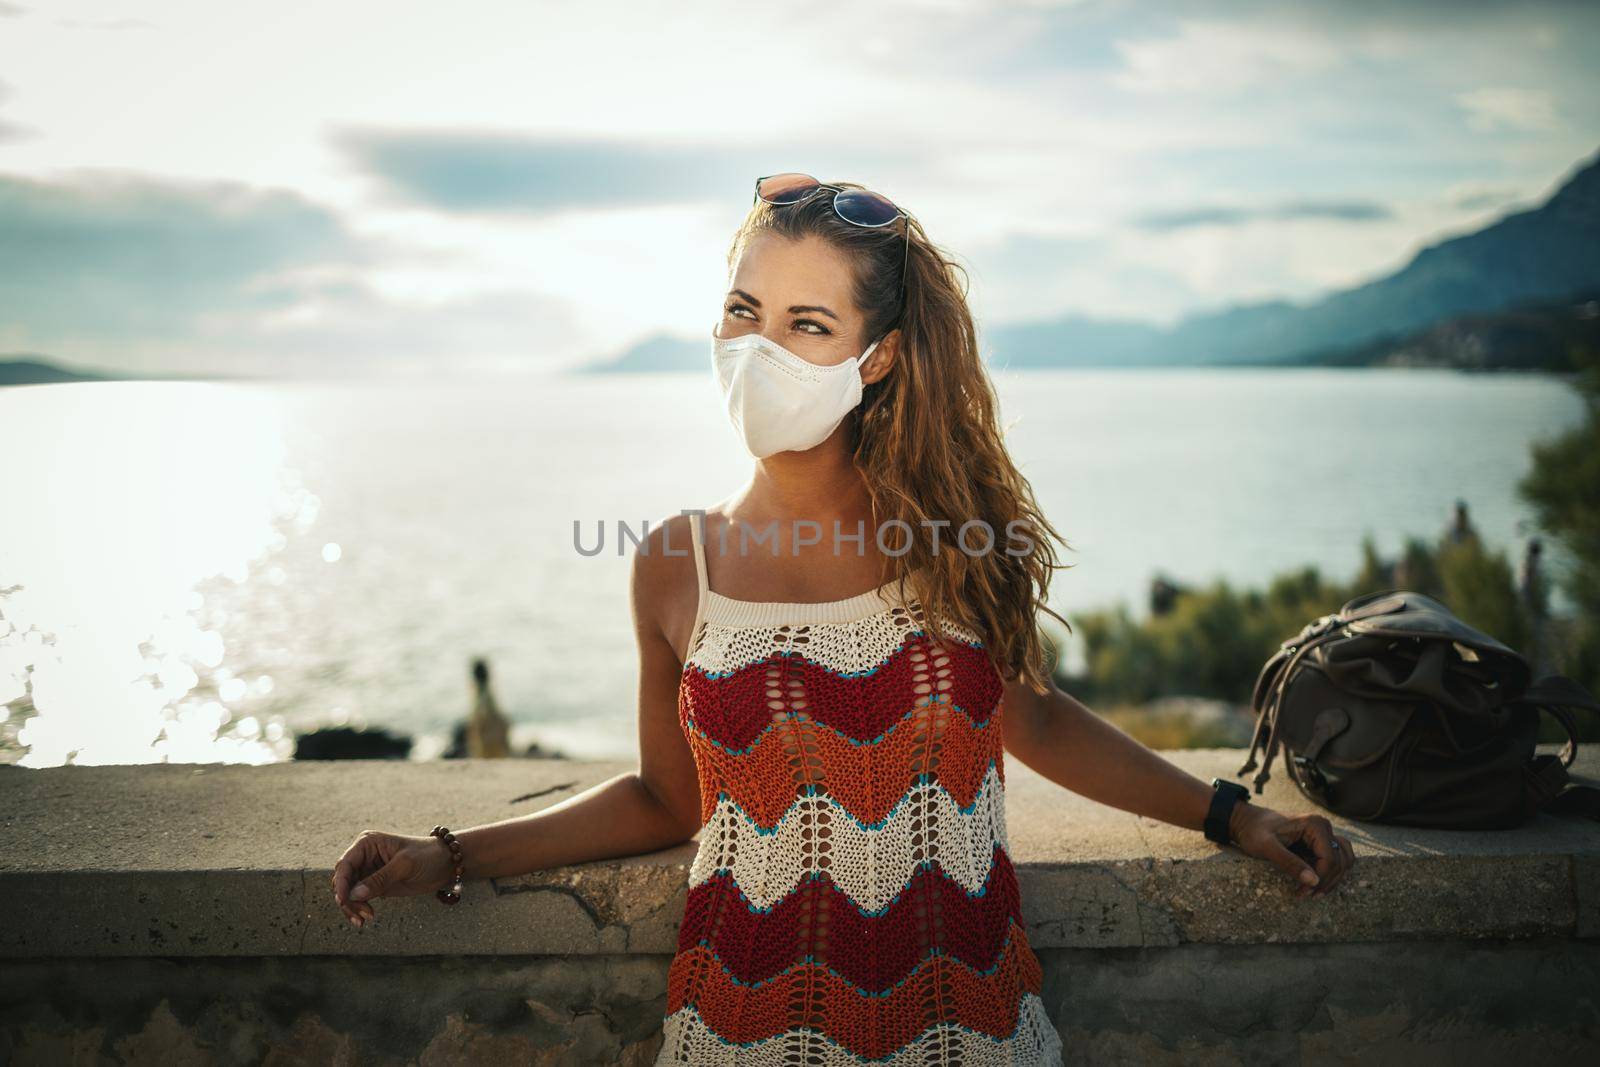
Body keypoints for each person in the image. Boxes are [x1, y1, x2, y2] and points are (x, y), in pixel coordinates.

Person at [330, 173, 1356, 1064]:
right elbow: (663, 797)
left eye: (805, 324)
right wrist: (451, 852)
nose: (757, 348)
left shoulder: (953, 539)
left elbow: (1036, 721)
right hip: (740, 1027)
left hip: (967, 1026)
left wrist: (1234, 815)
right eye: (743, 311)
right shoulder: (671, 563)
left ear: (877, 356)